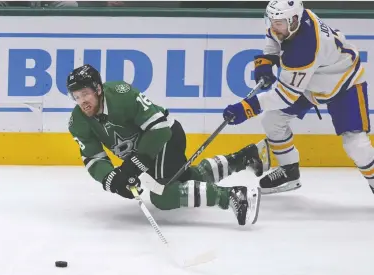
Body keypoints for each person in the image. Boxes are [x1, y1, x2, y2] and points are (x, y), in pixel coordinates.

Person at [67, 64, 270, 226]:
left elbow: (159, 127)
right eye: (76, 97)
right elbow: (94, 159)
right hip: (146, 153)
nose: (82, 101)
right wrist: (112, 179)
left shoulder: (121, 94)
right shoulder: (78, 121)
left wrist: (132, 166)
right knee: (185, 178)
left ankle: (234, 196)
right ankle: (242, 158)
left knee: (162, 196)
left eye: (85, 94)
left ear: (98, 89)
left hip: (166, 137)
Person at [223, 0, 374, 195]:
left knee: (356, 145)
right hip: (312, 82)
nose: (273, 26)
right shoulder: (290, 23)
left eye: (278, 23)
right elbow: (273, 38)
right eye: (271, 21)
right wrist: (266, 61)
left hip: (344, 82)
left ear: (294, 20)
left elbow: (285, 96)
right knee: (272, 120)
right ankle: (289, 171)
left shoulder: (304, 47)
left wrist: (247, 107)